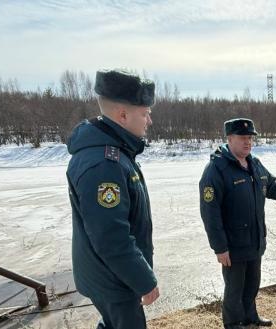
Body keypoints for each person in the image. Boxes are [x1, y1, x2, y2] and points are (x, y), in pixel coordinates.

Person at [199, 118, 276, 329]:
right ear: (230, 138)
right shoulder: (217, 169)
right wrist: (220, 247)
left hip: (255, 240)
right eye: (243, 138)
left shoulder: (254, 163)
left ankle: (250, 316)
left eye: (250, 138)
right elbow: (210, 213)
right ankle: (234, 323)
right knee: (234, 288)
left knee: (252, 283)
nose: (248, 142)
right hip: (232, 245)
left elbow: (271, 187)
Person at [66, 69, 158, 329]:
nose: (149, 120)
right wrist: (143, 279)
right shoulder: (104, 164)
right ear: (123, 115)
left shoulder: (114, 151)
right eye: (145, 113)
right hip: (113, 278)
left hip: (109, 273)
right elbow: (111, 237)